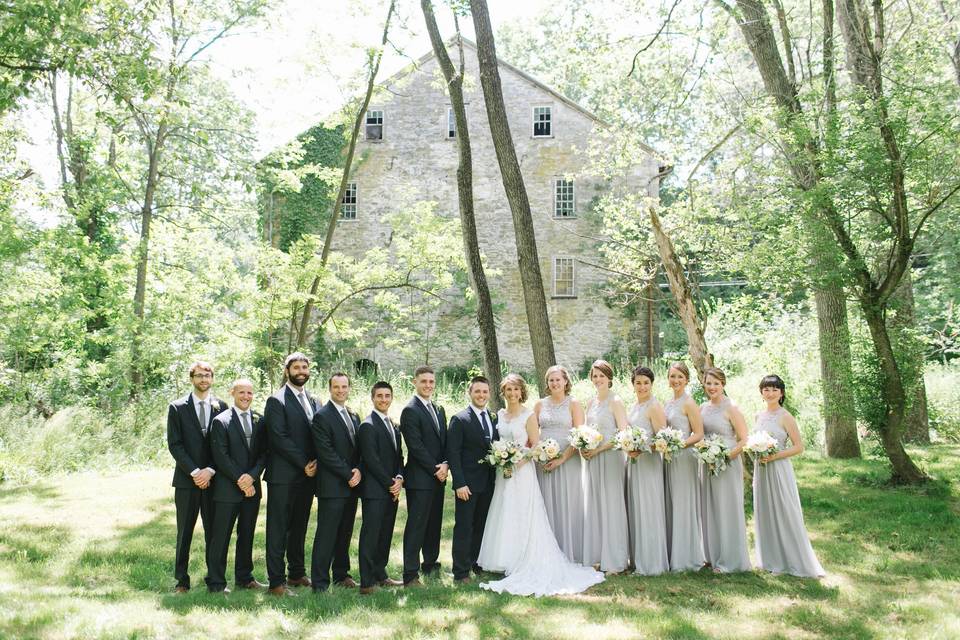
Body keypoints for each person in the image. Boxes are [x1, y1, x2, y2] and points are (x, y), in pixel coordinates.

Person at [477, 374, 604, 596]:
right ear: (503, 393)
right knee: (505, 511)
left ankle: (524, 557)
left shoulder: (528, 415)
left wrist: (516, 462)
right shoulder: (499, 415)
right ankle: (504, 558)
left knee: (524, 513)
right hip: (503, 471)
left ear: (522, 392)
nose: (513, 394)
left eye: (516, 390)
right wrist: (502, 459)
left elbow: (535, 446)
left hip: (522, 471)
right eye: (509, 390)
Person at [752, 375, 825, 578]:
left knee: (783, 510)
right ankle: (770, 559)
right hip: (762, 469)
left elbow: (799, 447)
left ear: (781, 393)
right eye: (766, 389)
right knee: (765, 511)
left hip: (779, 469)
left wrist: (774, 456)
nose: (770, 393)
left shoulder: (786, 417)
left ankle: (792, 559)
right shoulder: (758, 416)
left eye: (775, 389)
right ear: (761, 393)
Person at [166, 360, 228, 593]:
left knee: (215, 531)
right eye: (199, 375)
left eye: (207, 375)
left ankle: (215, 579)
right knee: (185, 532)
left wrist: (210, 470)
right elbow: (175, 444)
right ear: (192, 379)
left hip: (214, 480)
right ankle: (182, 580)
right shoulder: (177, 407)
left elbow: (224, 445)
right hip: (186, 480)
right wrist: (194, 472)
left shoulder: (221, 406)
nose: (204, 379)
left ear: (212, 379)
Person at [263, 352, 319, 596]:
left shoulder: (315, 400)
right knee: (278, 528)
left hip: (308, 476)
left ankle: (296, 573)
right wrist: (302, 463)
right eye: (296, 367)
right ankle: (276, 581)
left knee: (299, 526)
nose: (301, 371)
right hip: (284, 475)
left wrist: (315, 464)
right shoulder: (276, 400)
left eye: (304, 367)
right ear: (287, 371)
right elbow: (278, 437)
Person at [207, 378, 267, 593]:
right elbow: (220, 456)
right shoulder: (221, 421)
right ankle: (216, 582)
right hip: (228, 489)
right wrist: (241, 480)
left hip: (252, 488)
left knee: (247, 534)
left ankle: (244, 577)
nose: (246, 397)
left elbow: (264, 453)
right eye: (241, 392)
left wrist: (252, 477)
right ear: (232, 393)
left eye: (249, 393)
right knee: (221, 536)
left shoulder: (260, 419)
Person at [310, 372, 361, 592]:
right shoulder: (322, 416)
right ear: (330, 389)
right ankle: (320, 582)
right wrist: (348, 474)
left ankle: (341, 574)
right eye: (336, 387)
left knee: (345, 532)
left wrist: (358, 470)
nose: (341, 391)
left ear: (349, 388)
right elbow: (326, 452)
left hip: (352, 484)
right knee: (327, 534)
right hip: (332, 485)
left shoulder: (353, 414)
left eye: (344, 387)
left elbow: (358, 447)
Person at [446, 375, 499, 584]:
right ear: (470, 393)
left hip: (488, 482)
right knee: (464, 527)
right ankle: (460, 571)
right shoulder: (460, 419)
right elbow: (453, 453)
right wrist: (459, 482)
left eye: (485, 391)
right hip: (467, 484)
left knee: (481, 525)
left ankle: (475, 563)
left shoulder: (493, 418)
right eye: (477, 391)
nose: (481, 395)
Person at [699, 367, 751, 573]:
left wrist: (726, 456)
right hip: (707, 463)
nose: (712, 387)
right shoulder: (702, 408)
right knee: (710, 508)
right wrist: (707, 453)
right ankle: (712, 556)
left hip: (727, 463)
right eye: (709, 383)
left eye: (716, 383)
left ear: (723, 385)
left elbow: (744, 439)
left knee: (726, 508)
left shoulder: (732, 407)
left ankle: (730, 560)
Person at [400, 365, 448, 587]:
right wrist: (435, 468)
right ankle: (410, 573)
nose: (428, 385)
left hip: (439, 476)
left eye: (431, 382)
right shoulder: (410, 410)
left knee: (433, 523)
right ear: (415, 382)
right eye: (424, 381)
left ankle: (430, 563)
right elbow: (415, 446)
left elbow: (444, 440)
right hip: (420, 478)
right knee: (417, 525)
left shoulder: (438, 409)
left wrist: (446, 464)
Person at [581, 359, 630, 573]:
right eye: (595, 376)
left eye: (602, 375)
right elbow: (585, 429)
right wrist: (583, 445)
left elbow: (623, 433)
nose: (598, 379)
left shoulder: (616, 401)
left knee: (612, 505)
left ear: (609, 378)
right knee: (597, 505)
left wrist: (599, 449)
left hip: (610, 457)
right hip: (592, 458)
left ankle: (616, 560)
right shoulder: (591, 403)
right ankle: (600, 554)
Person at [357, 381, 405, 594]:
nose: (383, 400)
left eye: (387, 396)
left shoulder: (394, 426)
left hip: (391, 489)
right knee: (371, 535)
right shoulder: (367, 425)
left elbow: (399, 456)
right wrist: (390, 484)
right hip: (375, 491)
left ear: (391, 398)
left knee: (385, 534)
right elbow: (371, 461)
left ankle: (380, 573)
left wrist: (399, 478)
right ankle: (367, 582)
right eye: (379, 396)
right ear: (373, 398)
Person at [535, 365, 586, 563]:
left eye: (558, 379)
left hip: (568, 461)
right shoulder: (540, 405)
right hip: (545, 463)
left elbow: (580, 435)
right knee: (547, 504)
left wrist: (562, 458)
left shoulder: (574, 404)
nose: (555, 383)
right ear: (547, 383)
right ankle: (547, 551)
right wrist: (539, 453)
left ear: (565, 381)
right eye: (551, 380)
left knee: (568, 503)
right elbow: (532, 433)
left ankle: (570, 551)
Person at [625, 366, 669, 575]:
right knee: (637, 509)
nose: (642, 386)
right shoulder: (634, 406)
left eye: (646, 383)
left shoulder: (654, 407)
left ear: (652, 384)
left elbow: (662, 441)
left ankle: (652, 563)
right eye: (638, 382)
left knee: (649, 509)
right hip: (634, 464)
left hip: (649, 463)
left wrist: (641, 449)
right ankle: (638, 559)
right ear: (633, 384)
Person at [663, 361, 706, 572]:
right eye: (672, 376)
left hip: (685, 456)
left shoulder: (689, 403)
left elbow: (698, 434)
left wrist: (678, 444)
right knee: (672, 503)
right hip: (669, 457)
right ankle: (673, 552)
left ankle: (687, 556)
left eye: (680, 377)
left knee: (683, 503)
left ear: (687, 380)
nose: (676, 380)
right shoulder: (667, 403)